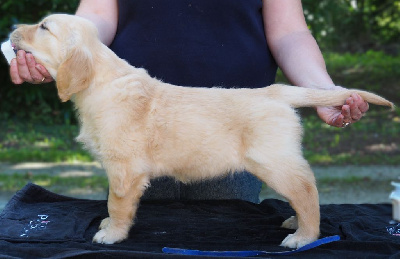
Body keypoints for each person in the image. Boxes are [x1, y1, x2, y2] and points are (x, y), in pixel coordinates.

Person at [9, 0, 369, 203]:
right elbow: (96, 19)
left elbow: (289, 32)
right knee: (137, 240)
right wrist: (55, 51)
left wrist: (322, 90)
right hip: (133, 120)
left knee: (226, 237)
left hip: (232, 125)